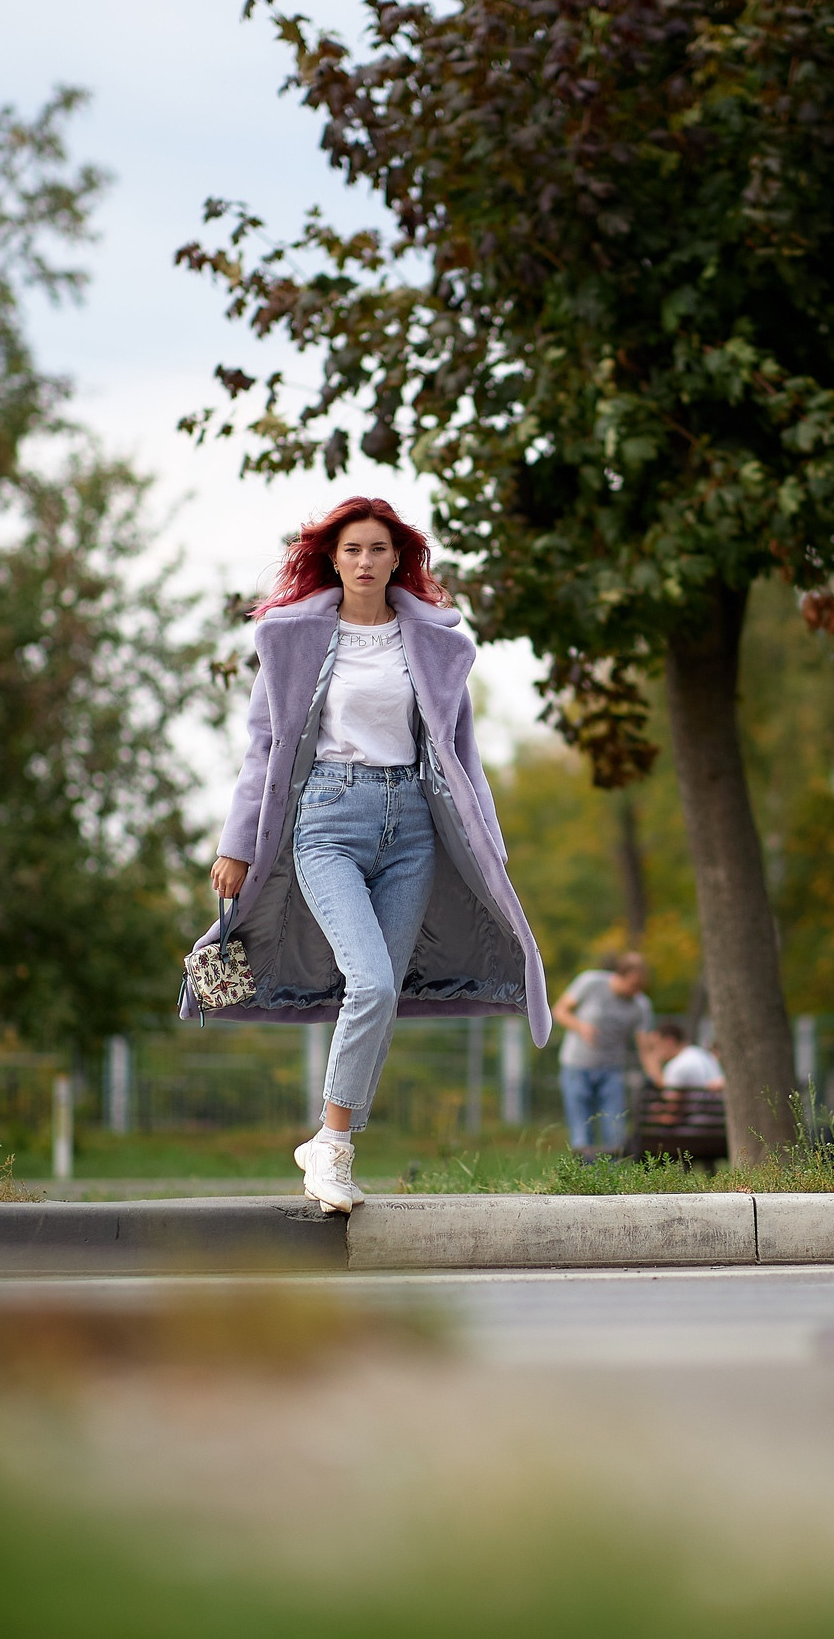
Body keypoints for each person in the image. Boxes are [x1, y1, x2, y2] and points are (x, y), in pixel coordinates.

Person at [180, 497, 549, 1213]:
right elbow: (264, 745)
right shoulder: (292, 639)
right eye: (352, 549)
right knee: (373, 983)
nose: (365, 561)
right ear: (333, 558)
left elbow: (461, 751)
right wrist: (236, 843)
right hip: (327, 819)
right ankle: (332, 1146)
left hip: (412, 827)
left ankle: (335, 1149)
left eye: (378, 548)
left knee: (383, 996)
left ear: (397, 558)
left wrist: (488, 842)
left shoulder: (434, 643)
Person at [553, 951, 650, 1157]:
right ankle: (583, 1172)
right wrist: (581, 1027)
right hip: (576, 1066)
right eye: (633, 985)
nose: (636, 991)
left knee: (614, 1127)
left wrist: (657, 1078)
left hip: (612, 1070)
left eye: (640, 986)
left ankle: (613, 1174)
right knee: (581, 1129)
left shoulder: (641, 1005)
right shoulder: (590, 983)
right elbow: (559, 1011)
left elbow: (645, 1047)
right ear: (619, 975)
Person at [644, 1018, 724, 1090]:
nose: (654, 1052)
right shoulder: (700, 1053)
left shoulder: (677, 1065)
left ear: (669, 1042)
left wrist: (654, 1068)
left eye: (655, 1046)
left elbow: (670, 1098)